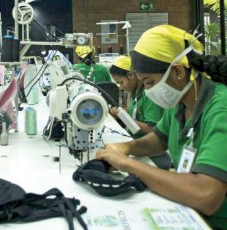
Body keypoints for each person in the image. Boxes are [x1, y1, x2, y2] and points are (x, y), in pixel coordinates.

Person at [96, 25, 227, 230]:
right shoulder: (180, 101)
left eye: (149, 82)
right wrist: (127, 148)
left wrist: (128, 164)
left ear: (177, 71)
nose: (148, 91)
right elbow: (159, 138)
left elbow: (207, 195)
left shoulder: (221, 109)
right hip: (189, 211)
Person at [109, 55, 164, 139]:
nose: (120, 87)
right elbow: (138, 113)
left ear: (131, 75)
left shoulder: (148, 95)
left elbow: (152, 129)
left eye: (121, 82)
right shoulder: (135, 93)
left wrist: (122, 115)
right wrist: (122, 112)